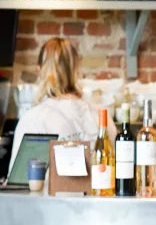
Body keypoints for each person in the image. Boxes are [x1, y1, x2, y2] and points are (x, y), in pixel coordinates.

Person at [10, 37, 116, 165]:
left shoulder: (33, 119)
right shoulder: (102, 116)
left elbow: (20, 176)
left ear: (40, 71)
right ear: (76, 69)